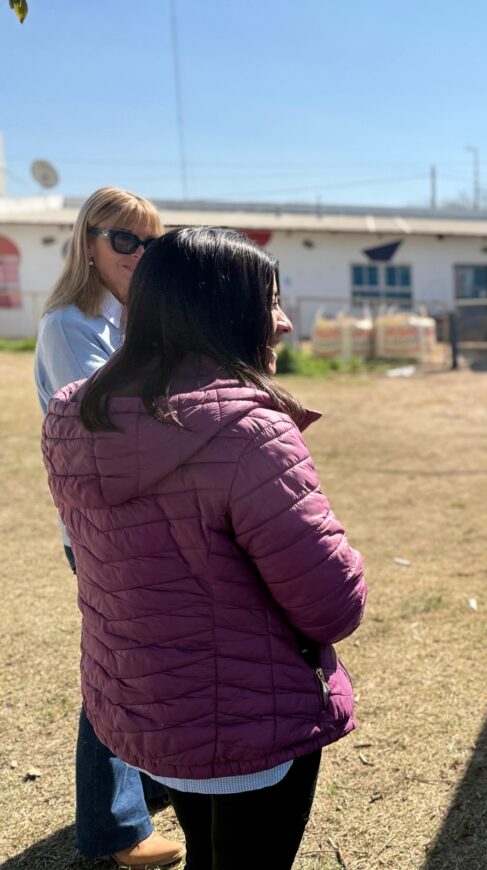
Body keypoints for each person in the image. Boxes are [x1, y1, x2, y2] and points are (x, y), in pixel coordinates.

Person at [41, 226, 367, 869]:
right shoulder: (249, 433)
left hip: (150, 708)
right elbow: (334, 606)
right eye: (270, 302)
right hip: (252, 720)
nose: (285, 324)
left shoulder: (72, 415)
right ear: (224, 311)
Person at [32, 187, 185, 868]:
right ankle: (116, 828)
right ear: (87, 241)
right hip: (105, 525)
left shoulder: (132, 317)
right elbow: (115, 426)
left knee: (148, 661)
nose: (139, 253)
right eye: (124, 239)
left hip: (143, 516)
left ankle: (146, 785)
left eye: (151, 242)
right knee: (118, 669)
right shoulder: (73, 324)